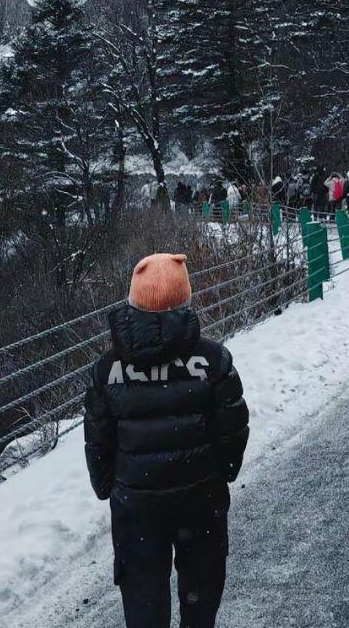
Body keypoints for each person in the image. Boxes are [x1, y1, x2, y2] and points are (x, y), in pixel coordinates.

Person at [83, 253, 249, 628]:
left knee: (143, 597)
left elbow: (98, 437)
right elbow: (233, 424)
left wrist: (107, 485)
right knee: (201, 590)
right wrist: (224, 470)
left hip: (136, 506)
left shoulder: (107, 370)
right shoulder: (212, 360)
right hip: (200, 498)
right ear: (185, 300)